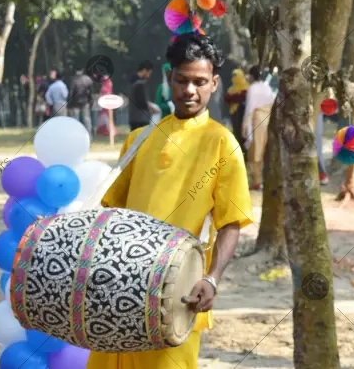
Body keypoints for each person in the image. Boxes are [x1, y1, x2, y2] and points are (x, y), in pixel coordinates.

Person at [87, 32, 253, 369]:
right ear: (168, 78)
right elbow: (112, 213)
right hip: (120, 290)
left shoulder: (223, 145)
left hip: (177, 295)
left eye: (200, 81)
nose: (190, 90)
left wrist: (211, 279)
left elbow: (230, 222)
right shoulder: (139, 139)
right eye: (182, 80)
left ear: (214, 83)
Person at [243, 65, 275, 190]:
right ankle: (266, 179)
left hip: (257, 121)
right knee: (266, 150)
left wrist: (245, 124)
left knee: (255, 150)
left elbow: (249, 108)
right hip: (268, 120)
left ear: (251, 76)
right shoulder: (267, 87)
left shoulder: (252, 88)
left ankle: (257, 180)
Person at [224, 68, 249, 158]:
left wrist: (234, 97)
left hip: (243, 114)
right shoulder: (231, 89)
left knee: (243, 134)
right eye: (233, 76)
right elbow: (227, 99)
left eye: (236, 76)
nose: (234, 78)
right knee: (236, 133)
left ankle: (245, 154)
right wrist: (236, 97)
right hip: (234, 114)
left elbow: (242, 97)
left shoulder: (246, 87)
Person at [128, 61, 159, 131]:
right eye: (149, 73)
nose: (149, 76)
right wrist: (151, 107)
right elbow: (141, 102)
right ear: (144, 70)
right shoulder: (140, 83)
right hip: (141, 118)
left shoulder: (132, 82)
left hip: (133, 117)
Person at [68, 68, 95, 134]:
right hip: (86, 102)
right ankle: (89, 135)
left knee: (75, 119)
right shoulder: (88, 79)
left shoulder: (73, 80)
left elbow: (71, 93)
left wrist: (69, 103)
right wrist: (91, 101)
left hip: (75, 102)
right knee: (87, 119)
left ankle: (76, 134)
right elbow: (91, 92)